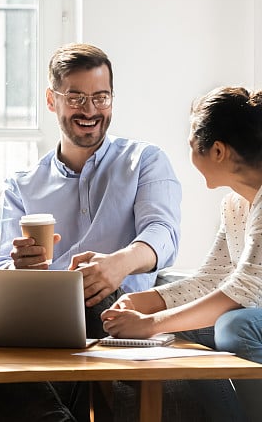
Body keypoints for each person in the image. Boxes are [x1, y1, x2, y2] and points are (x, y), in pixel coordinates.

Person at [0, 43, 182, 335]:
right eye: (76, 98)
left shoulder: (145, 160)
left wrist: (119, 264)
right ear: (51, 100)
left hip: (117, 311)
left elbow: (163, 233)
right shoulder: (21, 186)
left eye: (100, 98)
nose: (90, 110)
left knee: (93, 294)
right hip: (39, 312)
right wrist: (20, 270)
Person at [102, 86, 262, 421]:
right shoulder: (234, 205)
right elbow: (212, 278)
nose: (187, 148)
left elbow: (246, 289)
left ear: (217, 150)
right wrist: (144, 303)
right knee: (183, 326)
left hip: (251, 319)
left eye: (192, 141)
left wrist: (149, 325)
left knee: (236, 324)